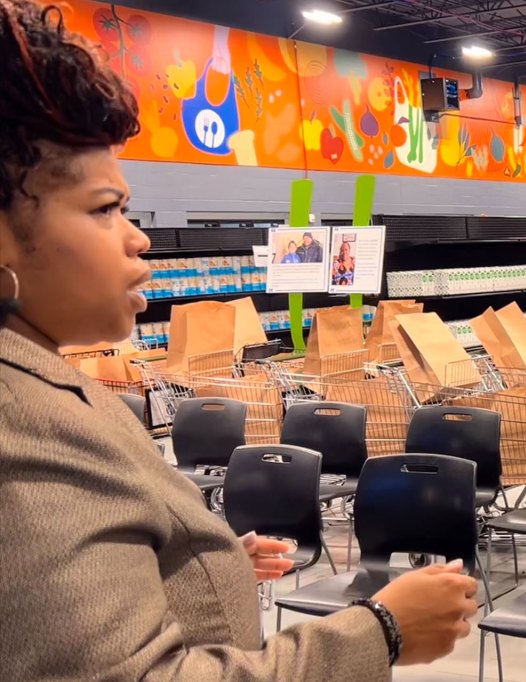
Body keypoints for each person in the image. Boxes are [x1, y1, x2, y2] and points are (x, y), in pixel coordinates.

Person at [0, 2, 476, 680]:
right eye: (106, 209)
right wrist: (382, 630)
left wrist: (203, 566)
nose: (139, 238)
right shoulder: (26, 430)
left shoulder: (43, 388)